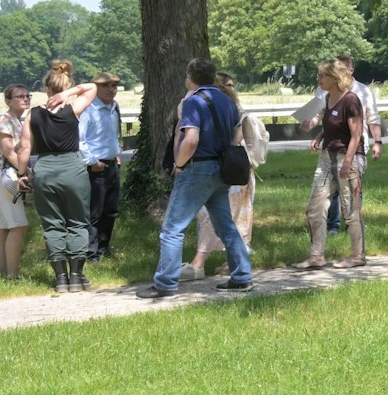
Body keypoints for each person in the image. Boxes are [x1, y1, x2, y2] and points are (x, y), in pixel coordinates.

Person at [140, 57, 254, 298]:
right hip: (220, 171)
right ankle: (242, 276)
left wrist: (179, 164)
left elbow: (191, 139)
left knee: (172, 228)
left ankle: (165, 283)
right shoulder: (226, 100)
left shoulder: (193, 101)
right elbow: (237, 135)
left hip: (197, 168)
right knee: (226, 226)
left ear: (190, 76)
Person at [22, 60, 100, 293]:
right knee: (77, 222)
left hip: (45, 169)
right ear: (67, 86)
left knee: (52, 225)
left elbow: (24, 147)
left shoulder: (32, 115)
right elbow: (92, 88)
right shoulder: (72, 110)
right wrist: (71, 92)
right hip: (73, 169)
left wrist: (21, 173)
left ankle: (60, 279)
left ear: (46, 88)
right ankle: (77, 276)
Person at [184, 75, 265, 281]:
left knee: (212, 217)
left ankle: (199, 263)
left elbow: (234, 140)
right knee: (234, 218)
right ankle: (237, 263)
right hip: (239, 170)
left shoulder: (219, 109)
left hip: (223, 170)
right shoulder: (234, 109)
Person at [296, 59, 366, 270]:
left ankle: (357, 255)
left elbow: (356, 134)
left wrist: (347, 162)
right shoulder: (327, 98)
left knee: (350, 208)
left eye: (321, 76)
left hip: (349, 157)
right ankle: (316, 256)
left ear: (335, 78)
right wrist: (320, 135)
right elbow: (333, 125)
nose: (318, 80)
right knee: (315, 207)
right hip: (327, 157)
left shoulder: (351, 99)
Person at [302, 53, 381, 236]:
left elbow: (371, 119)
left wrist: (377, 141)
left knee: (351, 190)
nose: (319, 78)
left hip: (353, 149)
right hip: (330, 150)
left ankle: (353, 228)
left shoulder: (361, 92)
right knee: (330, 191)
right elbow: (322, 116)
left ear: (349, 71)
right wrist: (314, 129)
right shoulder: (324, 92)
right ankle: (332, 226)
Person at [0, 83, 31, 281]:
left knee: (3, 227)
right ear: (8, 100)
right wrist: (24, 173)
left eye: (28, 96)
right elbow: (9, 151)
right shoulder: (3, 119)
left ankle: (4, 273)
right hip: (3, 175)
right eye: (20, 96)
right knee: (18, 227)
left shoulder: (20, 122)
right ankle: (13, 275)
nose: (25, 99)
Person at [78, 71, 123, 260]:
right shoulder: (89, 109)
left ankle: (104, 247)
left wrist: (117, 153)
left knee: (110, 210)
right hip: (96, 167)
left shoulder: (114, 108)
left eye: (114, 85)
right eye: (106, 86)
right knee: (94, 212)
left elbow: (113, 134)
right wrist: (92, 162)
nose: (111, 90)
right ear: (95, 88)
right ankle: (90, 252)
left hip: (112, 165)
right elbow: (79, 140)